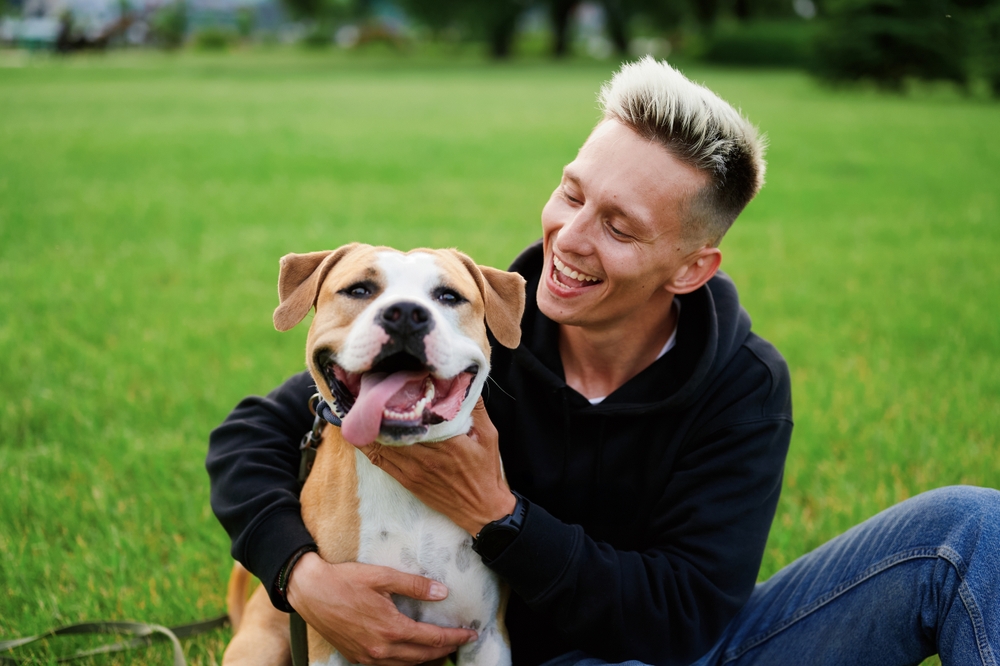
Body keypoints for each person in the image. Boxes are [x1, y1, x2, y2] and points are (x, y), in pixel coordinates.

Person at [207, 57, 1000, 666]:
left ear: (692, 268)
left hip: (687, 651)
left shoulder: (743, 385)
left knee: (969, 527)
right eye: (573, 193)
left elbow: (683, 616)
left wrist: (501, 518)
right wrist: (302, 580)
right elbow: (253, 434)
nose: (572, 238)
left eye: (619, 227)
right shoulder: (467, 341)